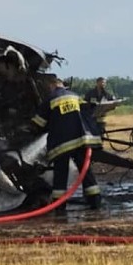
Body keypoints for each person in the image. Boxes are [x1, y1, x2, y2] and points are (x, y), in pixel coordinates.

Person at [32, 75, 103, 210]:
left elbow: (39, 123)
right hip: (82, 139)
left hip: (62, 143)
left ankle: (59, 205)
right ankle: (95, 200)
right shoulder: (75, 96)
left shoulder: (50, 99)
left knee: (61, 174)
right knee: (85, 170)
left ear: (52, 86)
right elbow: (87, 113)